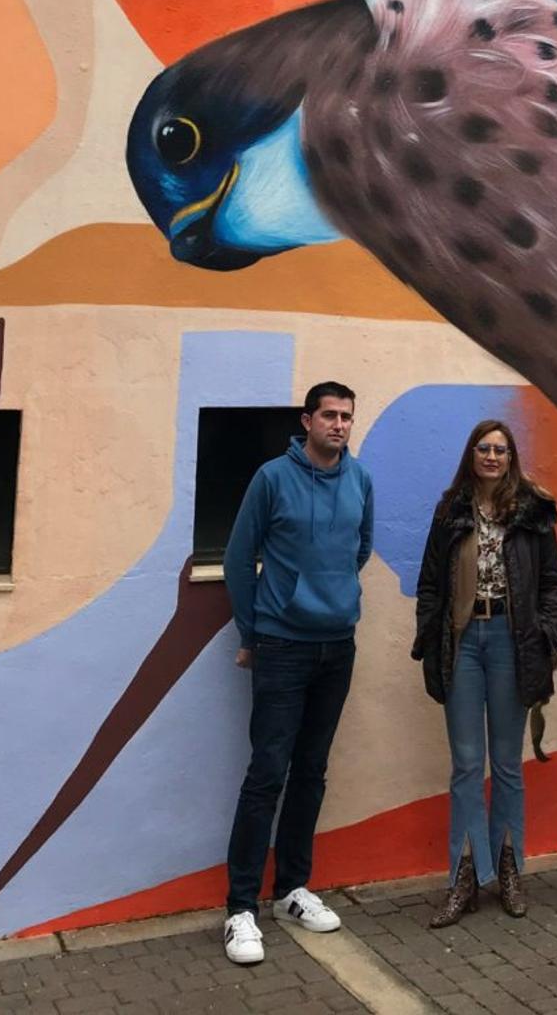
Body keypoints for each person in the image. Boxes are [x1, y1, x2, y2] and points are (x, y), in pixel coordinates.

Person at [220, 381, 373, 965]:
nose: (339, 425)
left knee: (312, 771)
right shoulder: (272, 478)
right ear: (307, 421)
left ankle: (291, 890)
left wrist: (334, 596)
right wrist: (252, 631)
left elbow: (360, 549)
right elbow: (239, 558)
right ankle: (240, 909)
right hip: (282, 644)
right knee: (267, 773)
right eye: (329, 415)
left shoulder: (360, 480)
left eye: (347, 417)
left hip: (338, 645)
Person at [412, 419, 557, 928]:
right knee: (465, 764)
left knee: (506, 764)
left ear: (511, 457)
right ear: (472, 454)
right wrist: (430, 636)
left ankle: (508, 868)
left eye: (501, 449)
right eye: (484, 448)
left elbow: (553, 585)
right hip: (462, 642)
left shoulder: (531, 511)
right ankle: (464, 876)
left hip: (510, 641)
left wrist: (544, 635)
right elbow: (430, 583)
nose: (493, 457)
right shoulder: (451, 510)